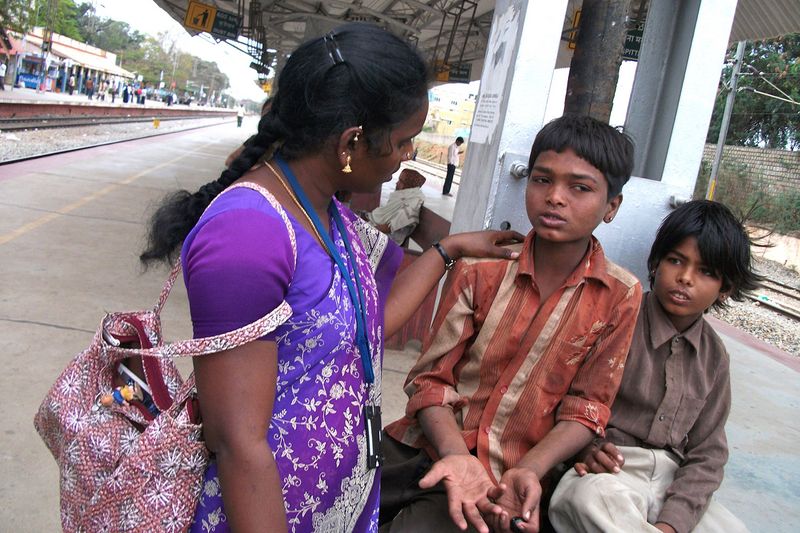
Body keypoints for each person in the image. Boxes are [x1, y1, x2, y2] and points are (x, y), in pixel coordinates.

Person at [139, 23, 521, 533]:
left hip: (335, 499)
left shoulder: (326, 212)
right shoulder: (250, 233)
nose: (409, 154)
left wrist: (447, 249)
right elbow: (236, 442)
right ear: (351, 142)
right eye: (405, 140)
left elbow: (369, 325)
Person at [381, 115, 643, 533]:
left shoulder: (620, 294)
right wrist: (459, 459)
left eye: (580, 187)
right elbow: (430, 381)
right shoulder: (480, 270)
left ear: (611, 206)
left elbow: (586, 408)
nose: (555, 197)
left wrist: (532, 470)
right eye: (542, 180)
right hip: (429, 447)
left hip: (519, 478)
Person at [549, 200, 759, 533]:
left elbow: (707, 453)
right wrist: (586, 450)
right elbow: (559, 399)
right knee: (588, 500)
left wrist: (673, 524)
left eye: (705, 272)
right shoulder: (617, 318)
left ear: (725, 289)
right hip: (609, 469)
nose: (686, 278)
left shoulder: (715, 357)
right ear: (657, 262)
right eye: (676, 261)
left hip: (670, 481)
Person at [367, 168, 427, 245]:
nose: (397, 183)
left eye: (401, 181)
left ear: (409, 184)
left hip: (387, 240)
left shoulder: (412, 203)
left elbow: (389, 228)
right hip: (379, 233)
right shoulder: (403, 198)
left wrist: (367, 229)